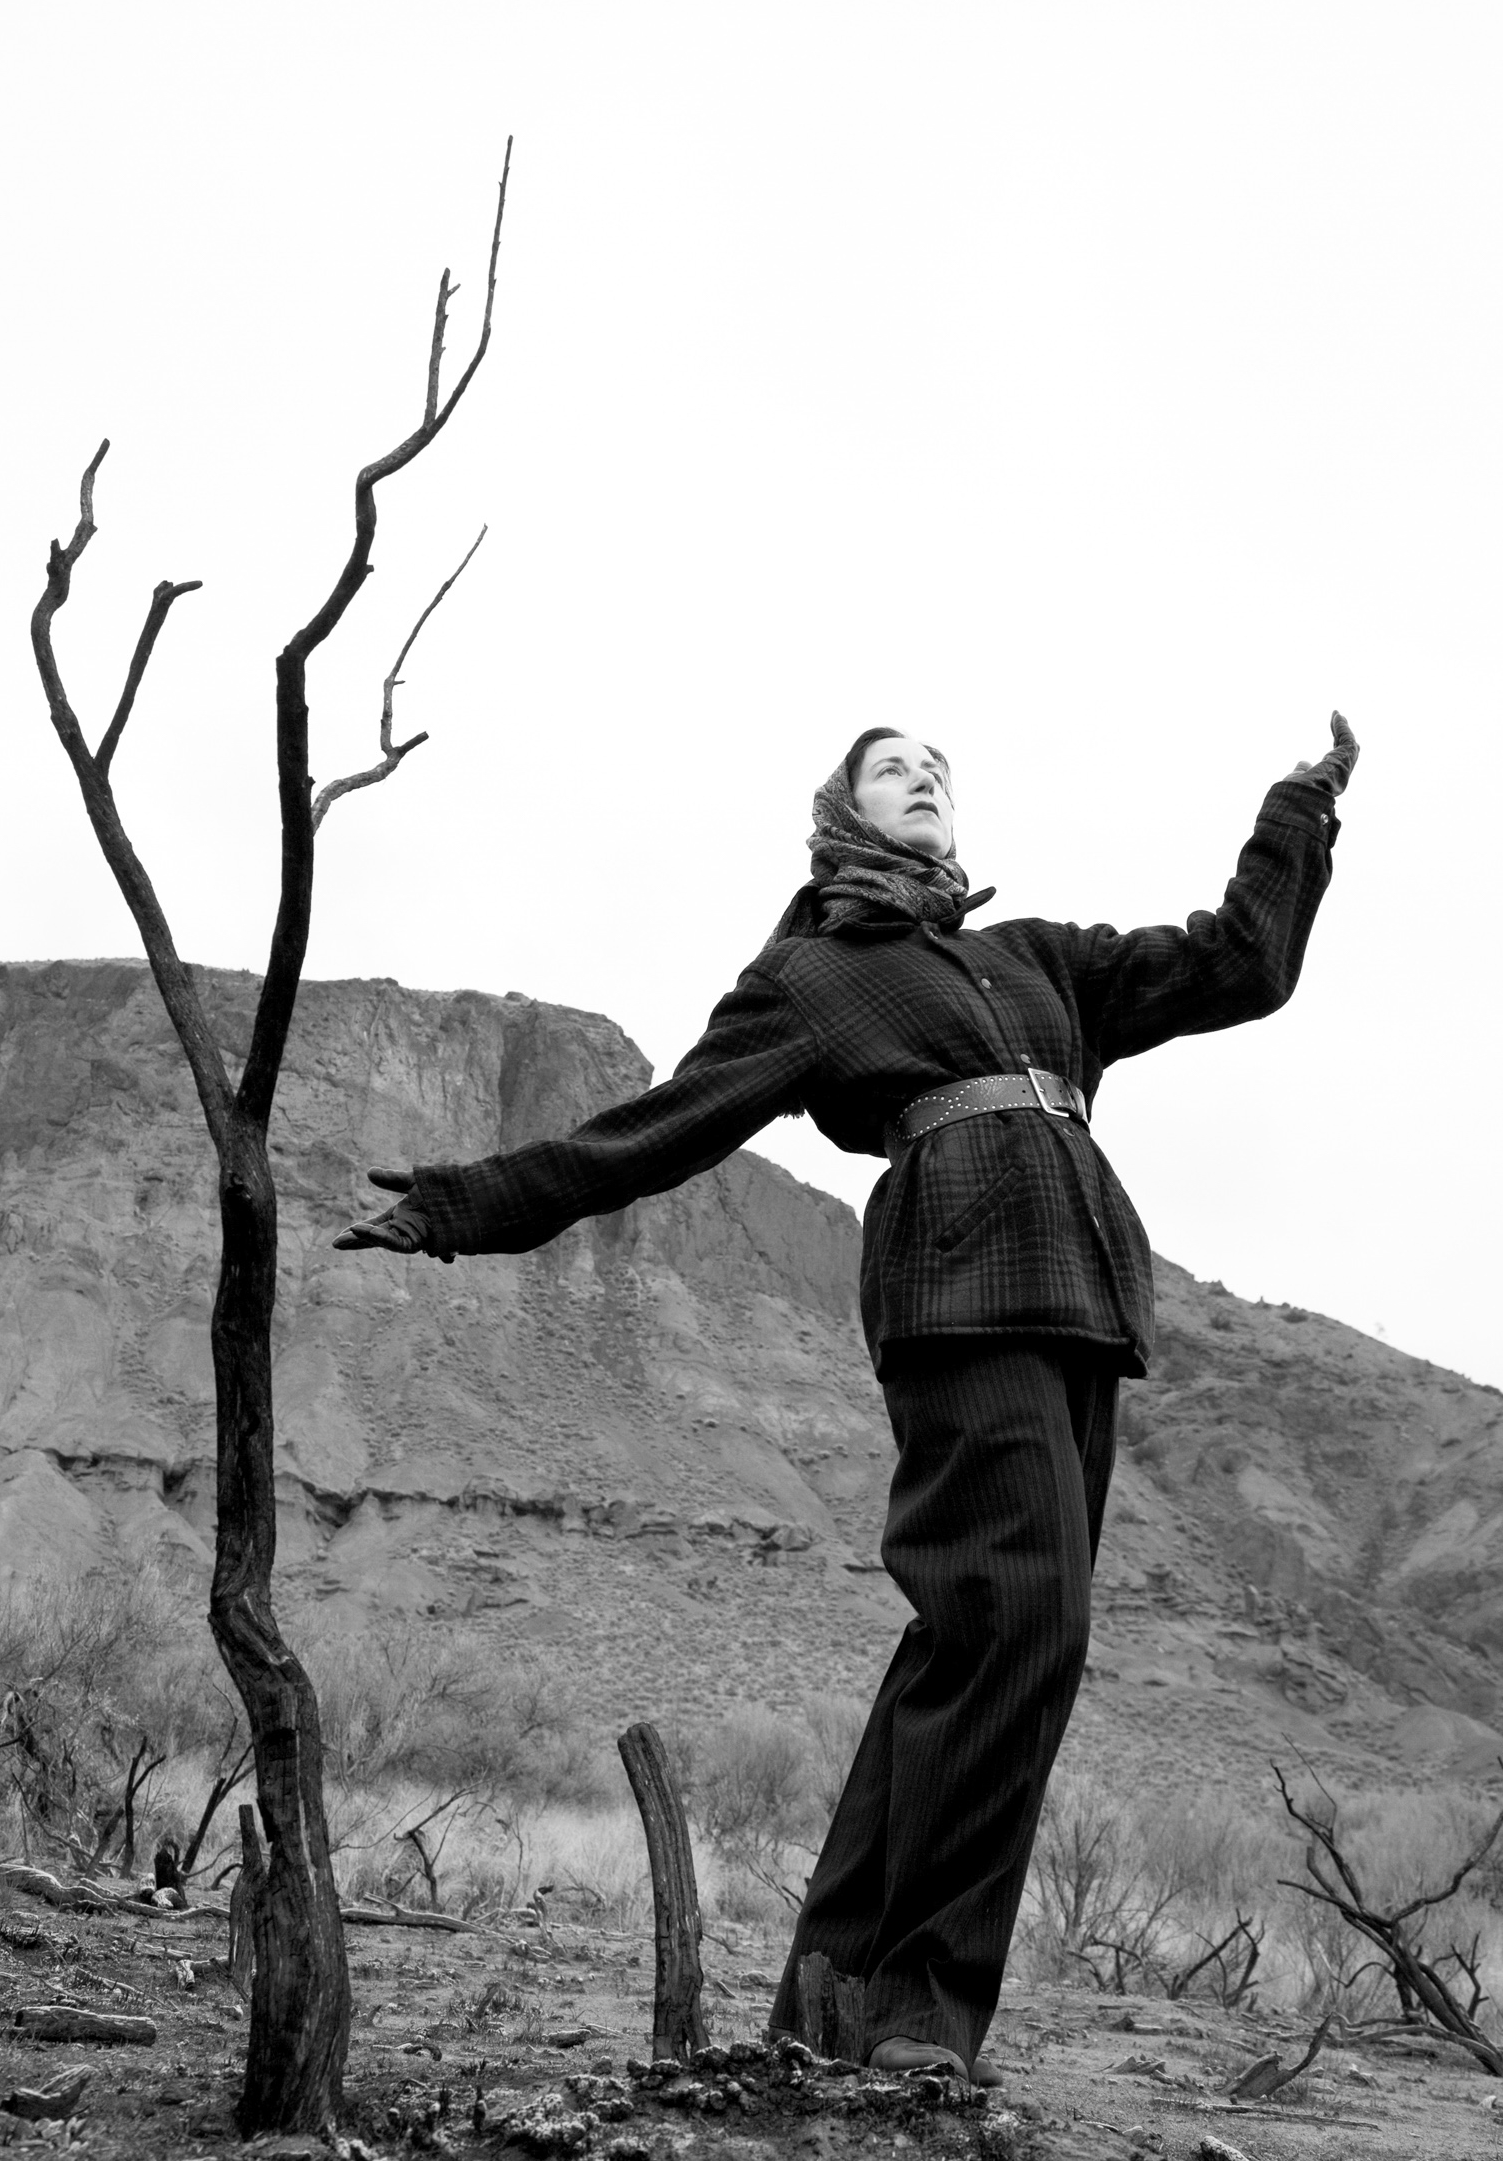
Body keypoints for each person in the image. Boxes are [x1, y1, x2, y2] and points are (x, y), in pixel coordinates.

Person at [334, 712, 1357, 2081]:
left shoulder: (1034, 958)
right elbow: (656, 1131)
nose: (927, 776)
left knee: (996, 1649)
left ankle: (835, 1997)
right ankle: (915, 2011)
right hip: (958, 1293)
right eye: (894, 768)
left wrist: (1299, 812)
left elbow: (1242, 967)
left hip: (1079, 1305)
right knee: (1015, 1623)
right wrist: (466, 1205)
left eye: (941, 766)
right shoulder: (814, 975)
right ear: (842, 817)